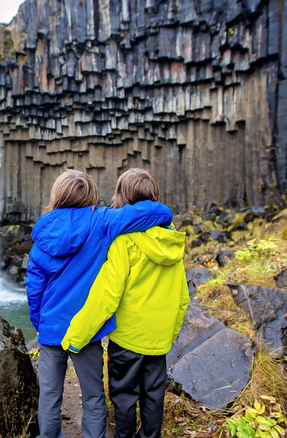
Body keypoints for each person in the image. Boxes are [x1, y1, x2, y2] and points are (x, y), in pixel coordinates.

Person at [27, 169, 174, 438]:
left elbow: (34, 286)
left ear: (57, 194)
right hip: (86, 331)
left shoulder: (44, 230)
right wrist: (165, 213)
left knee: (49, 398)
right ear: (91, 194)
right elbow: (143, 214)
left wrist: (40, 323)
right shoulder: (102, 221)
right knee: (93, 397)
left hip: (50, 328)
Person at [61, 168, 190, 438]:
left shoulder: (124, 241)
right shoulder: (172, 240)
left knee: (123, 397)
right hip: (158, 339)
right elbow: (182, 296)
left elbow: (106, 296)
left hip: (128, 341)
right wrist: (172, 332)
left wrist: (76, 336)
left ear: (122, 196)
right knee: (154, 396)